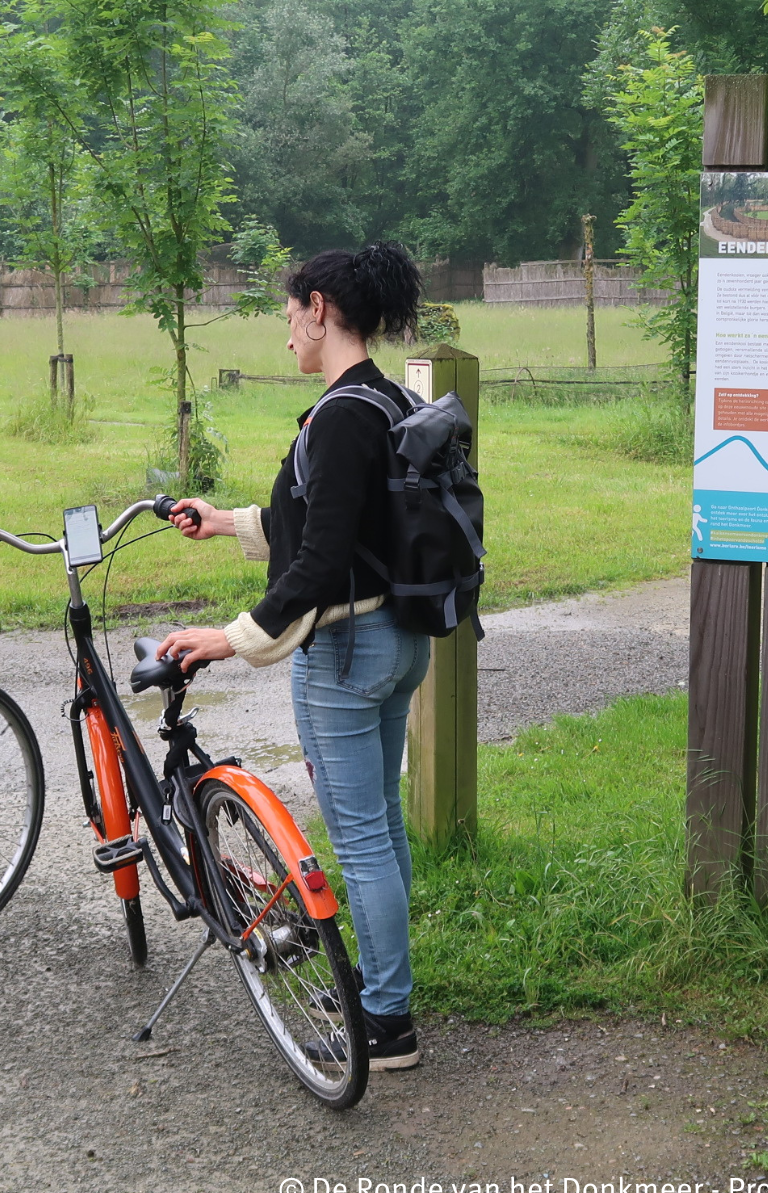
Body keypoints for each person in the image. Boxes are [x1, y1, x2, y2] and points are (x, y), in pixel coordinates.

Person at [157, 242, 429, 1070]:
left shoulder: (342, 415)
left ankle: (386, 1021)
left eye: (289, 321)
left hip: (345, 652)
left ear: (319, 309)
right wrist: (230, 522)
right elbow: (332, 527)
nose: (287, 341)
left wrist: (228, 639)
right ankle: (390, 989)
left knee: (362, 840)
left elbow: (318, 564)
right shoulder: (382, 399)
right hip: (396, 641)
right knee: (380, 823)